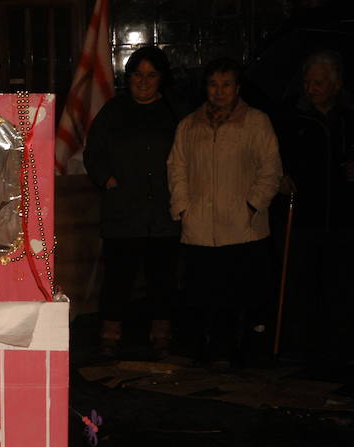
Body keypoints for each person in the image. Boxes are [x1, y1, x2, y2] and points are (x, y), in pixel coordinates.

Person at [167, 57, 282, 367]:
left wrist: (252, 204)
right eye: (213, 84)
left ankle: (229, 351)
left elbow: (271, 168)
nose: (219, 92)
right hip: (201, 227)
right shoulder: (189, 124)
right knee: (200, 292)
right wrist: (182, 207)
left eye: (226, 85)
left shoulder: (256, 122)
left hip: (241, 227)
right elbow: (176, 167)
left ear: (238, 87)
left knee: (236, 294)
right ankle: (196, 347)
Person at [83, 46, 181, 360]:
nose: (143, 81)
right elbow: (93, 152)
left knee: (162, 279)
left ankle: (161, 336)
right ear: (129, 77)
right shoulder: (114, 111)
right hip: (123, 211)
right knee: (118, 279)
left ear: (162, 79)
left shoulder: (173, 112)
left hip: (162, 212)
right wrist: (107, 179)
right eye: (138, 74)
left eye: (151, 75)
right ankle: (110, 336)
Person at [277, 51, 354, 366]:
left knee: (341, 288)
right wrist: (281, 177)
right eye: (307, 81)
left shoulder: (353, 117)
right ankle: (299, 350)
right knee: (301, 287)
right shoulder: (292, 117)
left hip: (344, 218)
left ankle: (337, 350)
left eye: (319, 83)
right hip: (304, 216)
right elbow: (275, 158)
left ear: (336, 85)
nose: (311, 88)